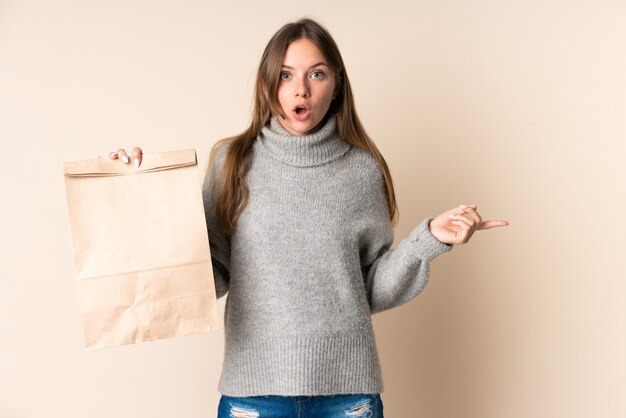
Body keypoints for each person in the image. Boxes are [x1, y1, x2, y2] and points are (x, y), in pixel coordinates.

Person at [103, 17, 508, 418]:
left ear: (337, 86)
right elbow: (206, 276)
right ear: (267, 87)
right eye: (285, 75)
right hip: (253, 396)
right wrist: (136, 192)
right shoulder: (233, 163)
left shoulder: (362, 170)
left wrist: (429, 241)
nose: (301, 89)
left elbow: (368, 288)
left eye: (317, 74)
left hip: (347, 397)